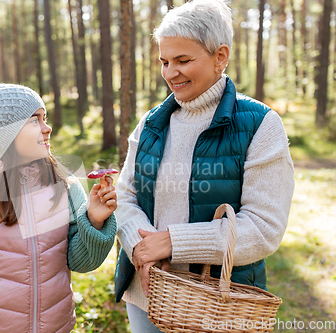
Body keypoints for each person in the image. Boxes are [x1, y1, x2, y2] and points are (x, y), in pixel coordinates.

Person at [114, 0, 295, 331]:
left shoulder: (261, 125)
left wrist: (173, 242)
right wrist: (142, 249)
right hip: (147, 297)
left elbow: (264, 227)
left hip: (218, 303)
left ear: (220, 57)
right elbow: (125, 196)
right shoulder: (151, 122)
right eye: (165, 61)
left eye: (183, 60)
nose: (170, 73)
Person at [0, 84, 117, 333]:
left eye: (45, 118)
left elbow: (81, 263)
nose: (48, 128)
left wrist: (95, 221)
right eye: (35, 120)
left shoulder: (65, 188)